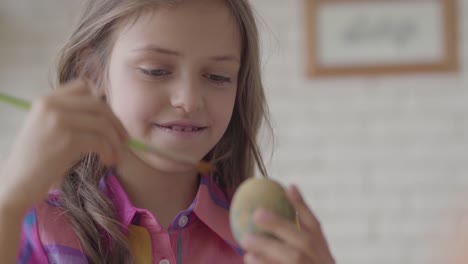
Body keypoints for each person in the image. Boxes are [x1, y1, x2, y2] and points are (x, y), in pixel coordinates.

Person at [0, 0, 335, 263]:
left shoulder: (262, 242)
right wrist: (9, 202)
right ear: (93, 72)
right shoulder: (38, 226)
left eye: (218, 76)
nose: (188, 100)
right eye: (156, 70)